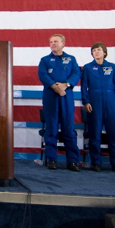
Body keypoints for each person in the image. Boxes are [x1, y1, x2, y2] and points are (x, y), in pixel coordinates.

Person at [80, 42, 115, 173]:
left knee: (114, 134)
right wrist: (86, 101)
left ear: (104, 52)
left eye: (98, 50)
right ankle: (96, 162)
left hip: (111, 103)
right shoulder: (88, 68)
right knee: (95, 134)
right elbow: (84, 86)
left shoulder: (112, 67)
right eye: (94, 50)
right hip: (94, 103)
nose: (96, 52)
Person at [38, 34, 82, 171]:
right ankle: (51, 159)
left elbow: (76, 74)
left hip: (66, 96)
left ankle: (73, 161)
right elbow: (43, 75)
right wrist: (55, 86)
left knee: (68, 128)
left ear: (63, 43)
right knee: (51, 128)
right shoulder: (45, 60)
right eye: (51, 42)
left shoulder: (71, 59)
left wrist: (66, 85)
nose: (52, 44)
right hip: (50, 95)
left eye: (55, 42)